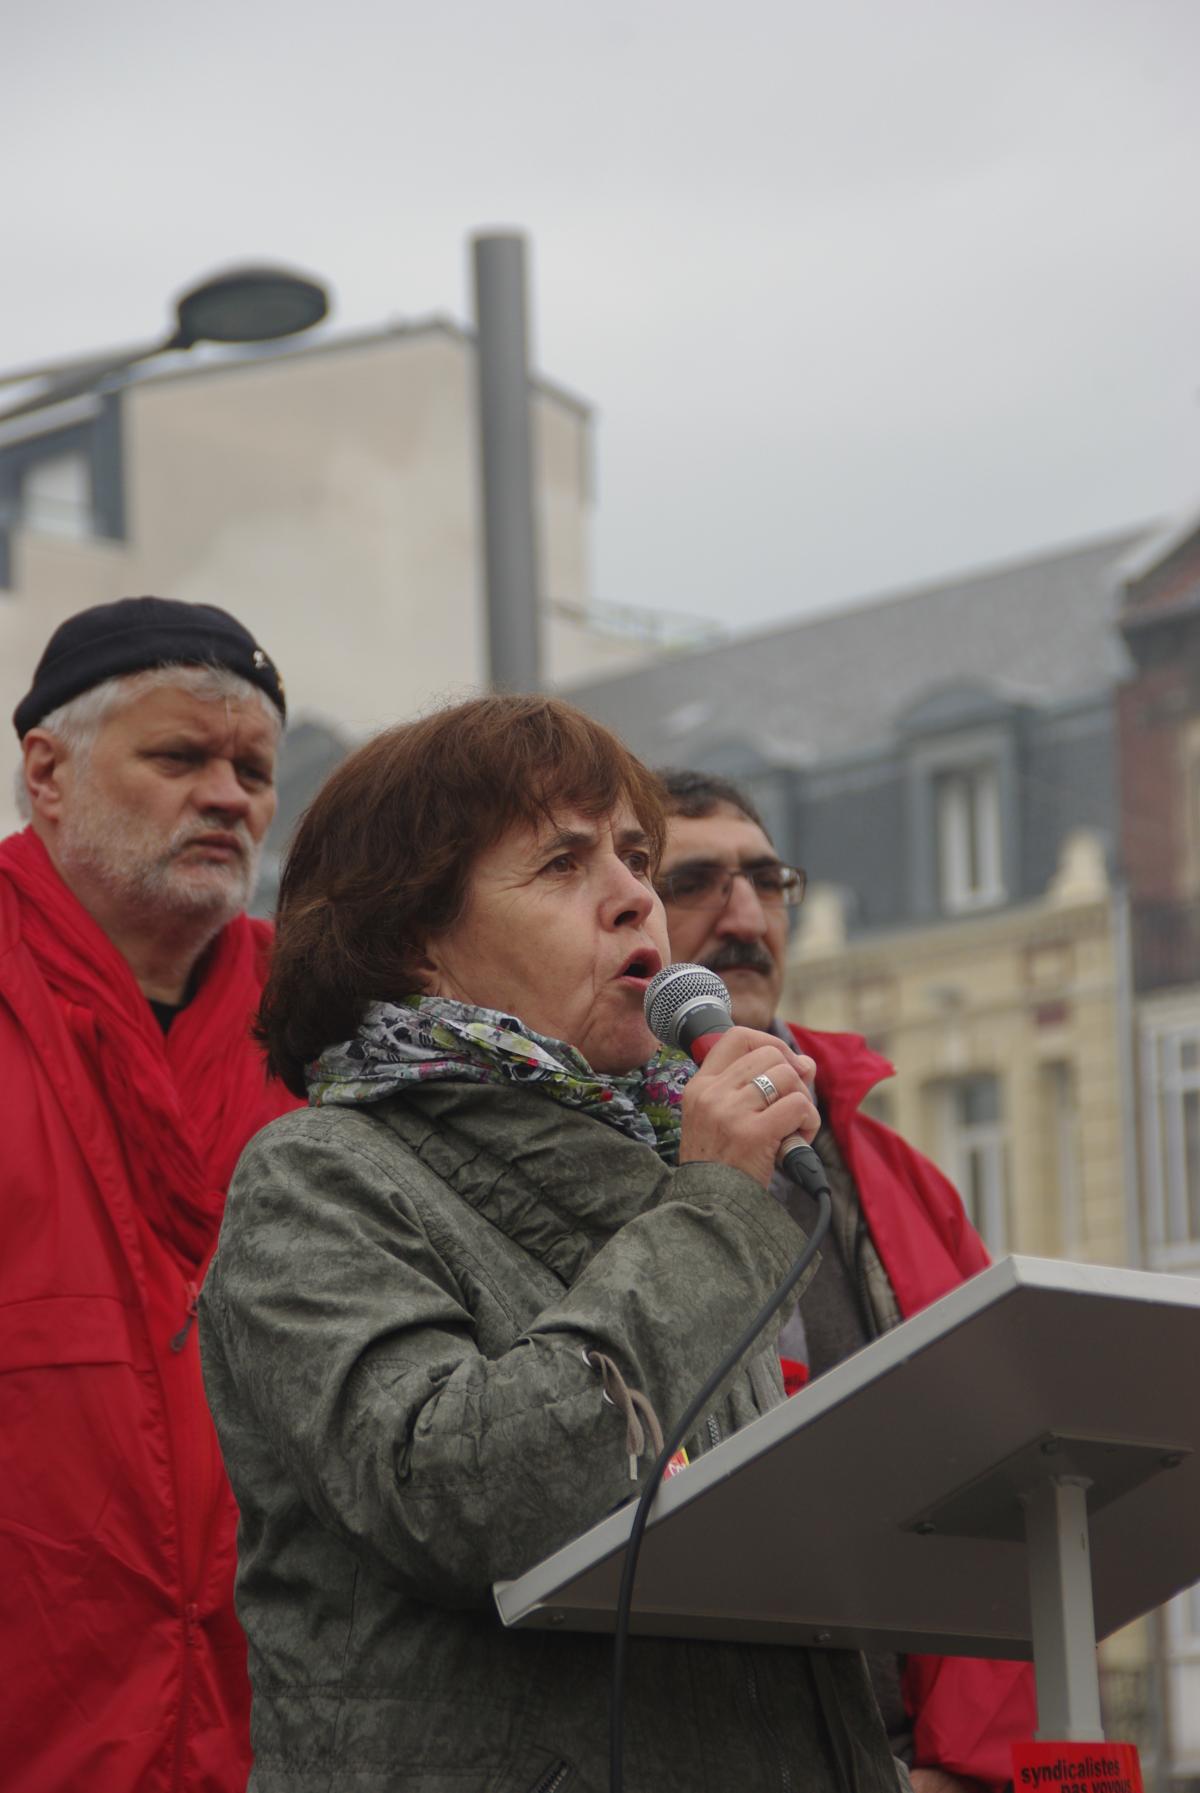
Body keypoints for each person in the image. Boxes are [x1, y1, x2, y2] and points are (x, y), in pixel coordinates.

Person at [199, 694, 908, 1793]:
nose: (636, 895)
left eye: (634, 854)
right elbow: (459, 1498)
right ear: (415, 943)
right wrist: (716, 1205)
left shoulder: (672, 1179)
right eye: (565, 863)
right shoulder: (317, 1177)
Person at [653, 768, 1039, 1793]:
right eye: (695, 878)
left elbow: (1009, 1479)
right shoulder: (591, 1153)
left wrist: (972, 1772)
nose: (741, 912)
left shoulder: (897, 1173)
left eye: (765, 877)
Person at [1, 597, 301, 1793]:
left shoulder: (334, 1033)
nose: (228, 795)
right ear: (47, 772)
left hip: (279, 1739)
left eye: (254, 769)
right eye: (181, 756)